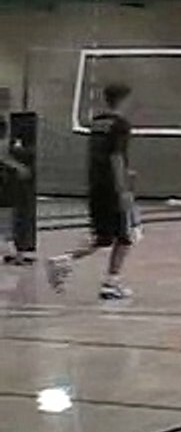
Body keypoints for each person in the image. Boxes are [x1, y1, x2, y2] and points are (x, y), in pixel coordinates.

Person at [46, 84, 137, 299]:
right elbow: (115, 157)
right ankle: (110, 282)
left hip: (96, 185)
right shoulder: (120, 125)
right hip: (112, 188)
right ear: (124, 100)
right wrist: (123, 189)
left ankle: (64, 260)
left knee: (103, 237)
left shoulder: (97, 122)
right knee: (125, 237)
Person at [1, 117, 32, 266]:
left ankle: (14, 251)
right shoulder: (6, 146)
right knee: (14, 218)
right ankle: (16, 251)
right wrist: (19, 167)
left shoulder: (7, 146)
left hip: (7, 189)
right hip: (8, 191)